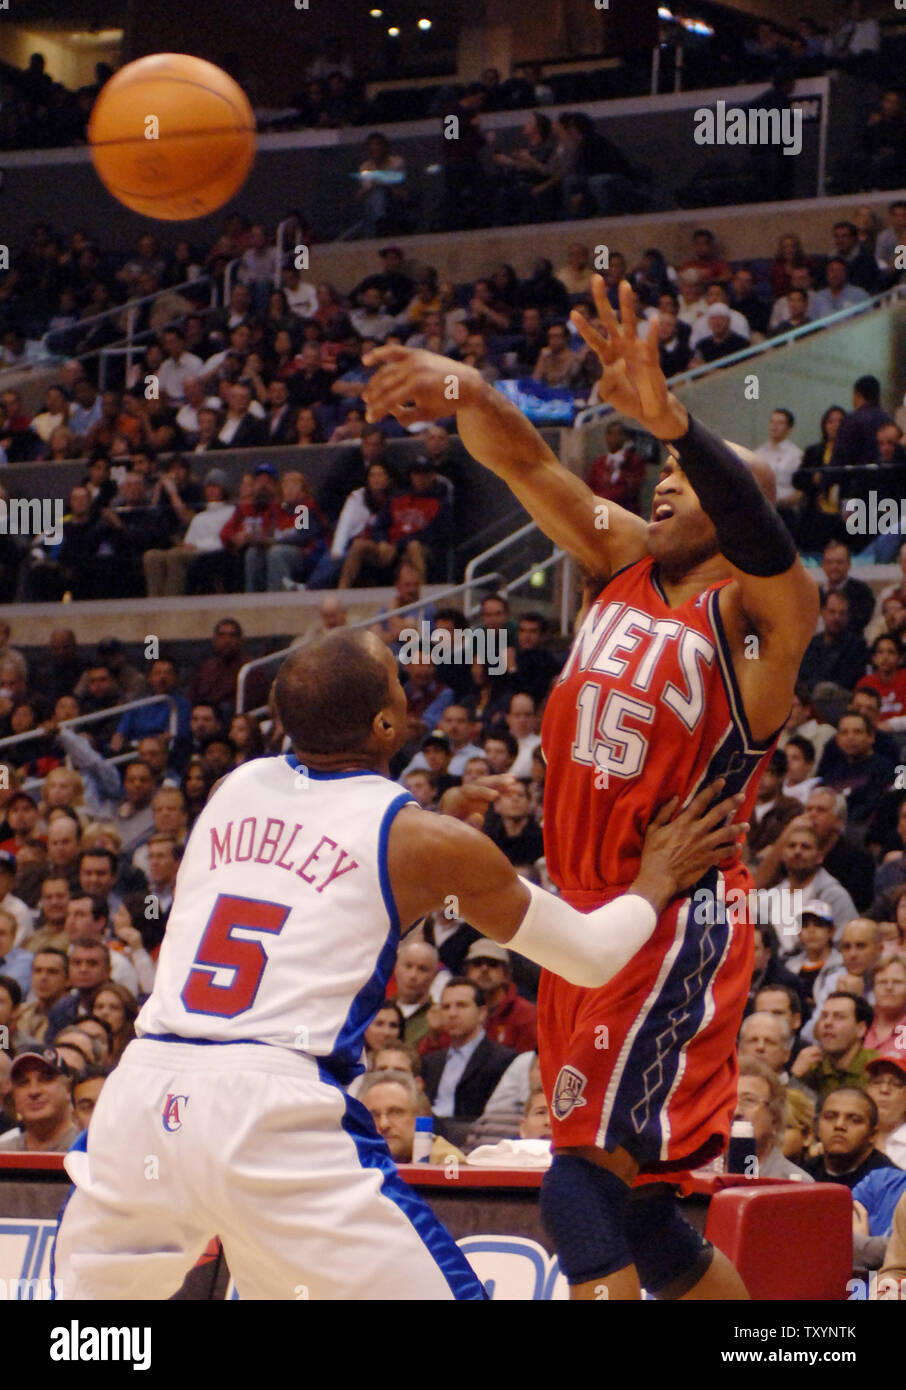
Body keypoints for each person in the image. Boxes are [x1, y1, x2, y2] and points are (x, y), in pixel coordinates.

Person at [361, 276, 818, 1302]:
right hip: (580, 915)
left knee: (576, 1185)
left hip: (672, 922)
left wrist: (683, 425)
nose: (662, 484)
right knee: (647, 1217)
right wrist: (467, 390)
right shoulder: (622, 561)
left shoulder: (764, 616)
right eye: (656, 469)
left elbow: (764, 535)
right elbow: (523, 459)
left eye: (686, 479)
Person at [52, 627, 740, 1301]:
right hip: (267, 1113)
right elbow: (591, 957)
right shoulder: (422, 840)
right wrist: (657, 875)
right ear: (387, 723)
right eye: (396, 681)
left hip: (143, 1097)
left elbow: (324, 868)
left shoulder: (233, 787)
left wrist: (433, 822)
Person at [359, 1070, 464, 1164]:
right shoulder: (352, 1160)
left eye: (396, 1112)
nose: (383, 1124)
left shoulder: (449, 1164)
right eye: (373, 1115)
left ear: (422, 1115)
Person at [734, 1058, 813, 1180]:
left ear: (775, 1117)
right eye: (729, 1101)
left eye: (749, 1100)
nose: (736, 1111)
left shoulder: (797, 1183)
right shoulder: (700, 1173)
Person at [791, 991, 878, 1100]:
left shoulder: (877, 1068)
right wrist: (795, 1076)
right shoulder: (811, 1064)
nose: (827, 1022)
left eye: (839, 1017)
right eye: (824, 1016)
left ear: (860, 1029)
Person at [803, 1088, 896, 1188]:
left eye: (854, 1120)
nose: (839, 1125)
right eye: (830, 1117)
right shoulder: (804, 1175)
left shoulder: (891, 1185)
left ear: (873, 1134)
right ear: (817, 1128)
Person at [463, 938, 537, 1052]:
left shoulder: (526, 1014)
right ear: (466, 972)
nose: (484, 969)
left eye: (493, 964)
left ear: (506, 974)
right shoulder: (456, 1007)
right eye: (477, 963)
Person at [0, 1048, 80, 1152]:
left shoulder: (87, 1151)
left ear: (68, 1089)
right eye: (23, 1082)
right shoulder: (4, 1153)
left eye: (45, 1079)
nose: (34, 1091)